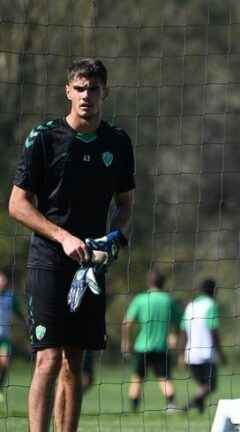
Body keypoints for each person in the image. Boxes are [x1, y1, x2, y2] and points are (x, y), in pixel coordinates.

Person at [9, 58, 134, 432]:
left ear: (104, 93)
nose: (86, 96)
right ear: (67, 91)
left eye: (93, 89)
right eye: (79, 88)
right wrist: (62, 237)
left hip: (89, 267)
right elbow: (17, 204)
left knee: (74, 362)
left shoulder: (118, 142)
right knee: (47, 358)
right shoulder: (45, 138)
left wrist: (113, 237)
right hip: (49, 259)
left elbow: (125, 204)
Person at [122, 269, 182, 412]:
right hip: (161, 346)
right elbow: (180, 322)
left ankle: (134, 409)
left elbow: (127, 323)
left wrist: (126, 342)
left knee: (137, 377)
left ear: (148, 282)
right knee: (164, 377)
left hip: (141, 346)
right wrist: (174, 335)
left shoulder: (140, 299)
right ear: (163, 283)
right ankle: (171, 405)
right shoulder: (169, 300)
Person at [179, 277, 227, 413]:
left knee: (202, 384)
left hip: (190, 354)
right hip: (206, 354)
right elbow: (213, 330)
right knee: (211, 386)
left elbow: (183, 331)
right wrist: (221, 353)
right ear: (213, 290)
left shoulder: (190, 305)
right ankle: (189, 405)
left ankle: (200, 411)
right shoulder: (211, 305)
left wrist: (181, 353)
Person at [0, 269, 24, 402]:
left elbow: (19, 313)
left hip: (4, 337)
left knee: (5, 362)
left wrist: (26, 324)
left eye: (3, 279)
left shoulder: (10, 297)